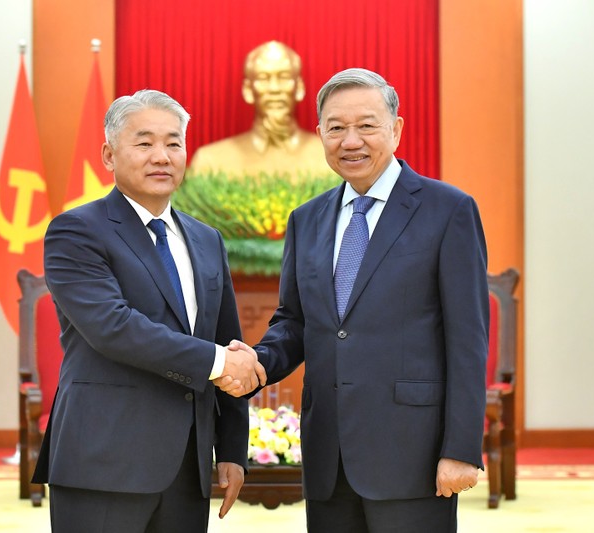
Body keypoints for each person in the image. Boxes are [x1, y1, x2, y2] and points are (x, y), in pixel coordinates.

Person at [219, 68, 490, 532]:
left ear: (397, 130)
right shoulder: (307, 220)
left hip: (414, 454)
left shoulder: (448, 210)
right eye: (336, 127)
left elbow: (467, 338)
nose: (351, 141)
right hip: (329, 456)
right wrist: (259, 361)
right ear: (321, 133)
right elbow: (294, 323)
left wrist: (461, 448)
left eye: (367, 125)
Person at [32, 89, 266, 533]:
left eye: (174, 143)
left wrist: (233, 450)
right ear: (108, 154)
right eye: (144, 143)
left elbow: (227, 337)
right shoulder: (76, 231)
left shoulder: (206, 240)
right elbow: (113, 327)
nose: (162, 155)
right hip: (102, 464)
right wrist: (220, 363)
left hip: (185, 469)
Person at [188, 40, 333, 180]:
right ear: (248, 90)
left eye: (284, 77)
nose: (274, 89)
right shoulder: (211, 162)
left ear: (299, 88)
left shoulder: (330, 156)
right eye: (263, 78)